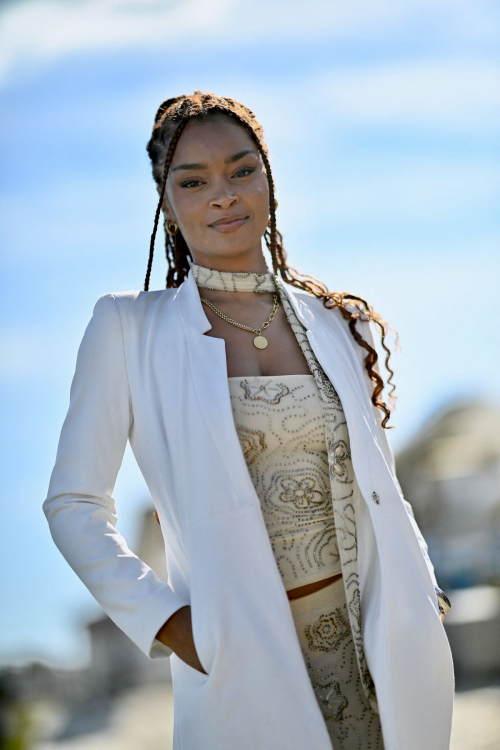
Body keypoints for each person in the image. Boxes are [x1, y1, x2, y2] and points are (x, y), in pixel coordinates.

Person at [43, 91, 454, 750]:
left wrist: (425, 598)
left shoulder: (339, 325)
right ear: (167, 204)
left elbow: (382, 484)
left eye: (241, 169)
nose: (223, 194)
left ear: (268, 177)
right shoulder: (127, 330)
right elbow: (73, 503)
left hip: (381, 648)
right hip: (246, 662)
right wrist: (173, 626)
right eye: (193, 181)